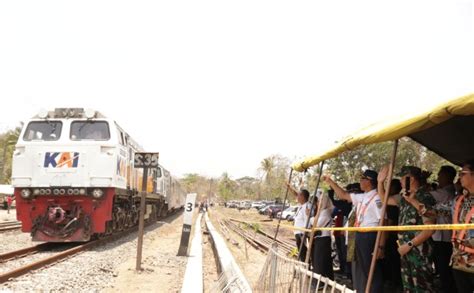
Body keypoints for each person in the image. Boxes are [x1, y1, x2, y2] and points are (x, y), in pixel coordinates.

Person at [323, 170, 383, 293]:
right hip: (359, 234)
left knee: (370, 269)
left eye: (362, 179)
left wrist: (381, 246)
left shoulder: (377, 197)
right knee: (361, 268)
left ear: (369, 181)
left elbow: (383, 222)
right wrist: (331, 182)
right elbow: (343, 195)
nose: (360, 181)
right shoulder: (363, 196)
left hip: (370, 235)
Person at [379, 166, 437, 292]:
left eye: (402, 178)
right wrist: (380, 182)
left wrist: (409, 244)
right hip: (405, 251)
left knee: (422, 287)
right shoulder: (404, 197)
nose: (400, 181)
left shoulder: (424, 197)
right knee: (409, 287)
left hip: (419, 252)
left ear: (410, 179)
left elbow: (430, 229)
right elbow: (384, 199)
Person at [430, 165, 457, 293]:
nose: (438, 177)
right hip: (439, 237)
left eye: (440, 174)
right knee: (442, 269)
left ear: (448, 176)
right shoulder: (443, 191)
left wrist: (422, 181)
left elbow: (425, 195)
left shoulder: (445, 192)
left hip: (444, 238)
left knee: (445, 269)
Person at [451, 160, 474, 293]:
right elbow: (436, 210)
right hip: (459, 259)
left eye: (462, 173)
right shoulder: (459, 200)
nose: (459, 177)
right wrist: (412, 200)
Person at [310, 193, 335, 280]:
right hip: (321, 239)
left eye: (319, 202)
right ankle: (327, 280)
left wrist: (309, 218)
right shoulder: (322, 212)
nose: (317, 204)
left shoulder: (325, 212)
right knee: (324, 261)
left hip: (323, 239)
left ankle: (320, 282)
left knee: (320, 261)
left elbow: (316, 224)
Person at [288, 186, 312, 261]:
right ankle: (303, 264)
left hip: (302, 233)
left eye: (299, 195)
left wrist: (304, 233)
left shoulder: (307, 206)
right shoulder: (301, 206)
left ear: (303, 197)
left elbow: (307, 220)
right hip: (298, 232)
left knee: (303, 252)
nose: (297, 197)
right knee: (301, 252)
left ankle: (305, 267)